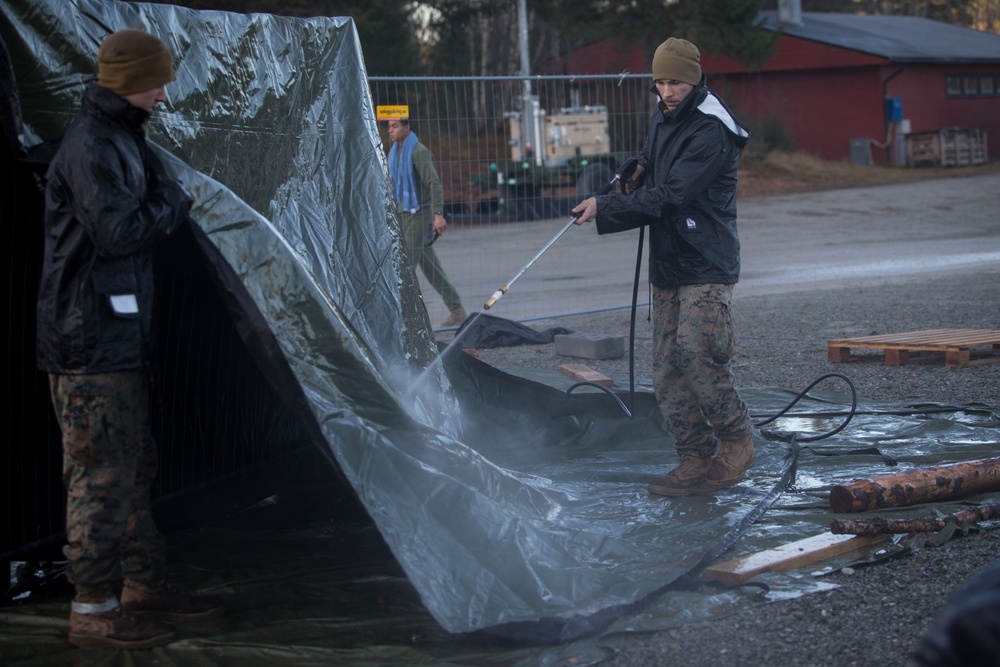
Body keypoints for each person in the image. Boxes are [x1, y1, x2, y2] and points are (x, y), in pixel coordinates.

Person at [37, 28, 224, 649]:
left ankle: (143, 584)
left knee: (132, 468)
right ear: (131, 82)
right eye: (159, 81)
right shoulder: (93, 146)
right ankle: (93, 611)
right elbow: (117, 232)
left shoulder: (121, 137)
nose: (166, 93)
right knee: (100, 477)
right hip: (89, 349)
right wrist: (174, 199)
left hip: (113, 340)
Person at [571, 37, 755, 498]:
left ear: (693, 79)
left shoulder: (712, 128)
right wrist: (637, 166)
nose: (667, 91)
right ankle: (693, 457)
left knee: (697, 353)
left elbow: (673, 194)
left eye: (675, 82)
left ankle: (736, 442)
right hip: (669, 260)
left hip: (706, 260)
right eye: (660, 82)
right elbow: (657, 160)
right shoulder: (664, 113)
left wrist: (608, 205)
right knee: (668, 369)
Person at [386, 116, 468, 328]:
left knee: (406, 267)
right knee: (431, 267)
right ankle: (457, 310)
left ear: (407, 126)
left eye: (395, 126)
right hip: (403, 214)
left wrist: (438, 214)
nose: (390, 131)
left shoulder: (418, 151)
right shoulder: (395, 153)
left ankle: (404, 320)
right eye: (389, 126)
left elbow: (434, 184)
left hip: (419, 215)